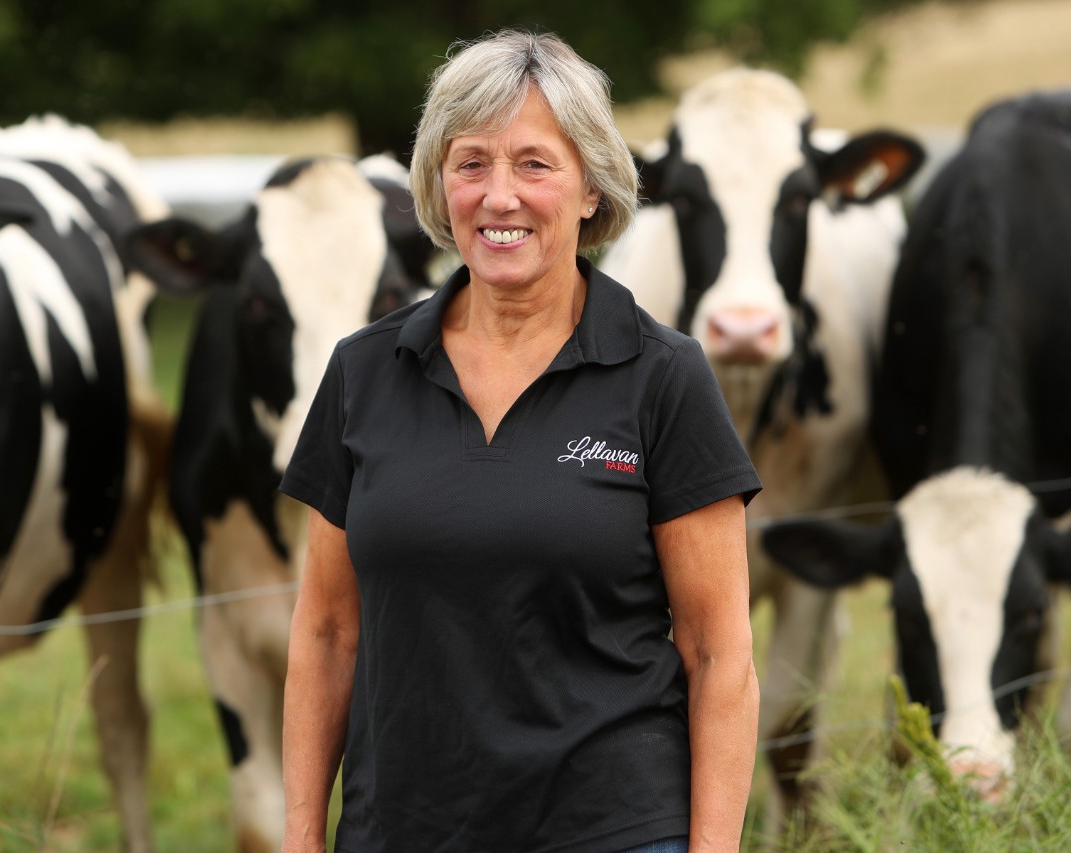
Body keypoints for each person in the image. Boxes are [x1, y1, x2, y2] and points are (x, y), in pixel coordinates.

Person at [280, 29, 761, 853]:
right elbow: (325, 632)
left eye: (534, 164)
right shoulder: (365, 371)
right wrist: (299, 840)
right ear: (440, 185)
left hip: (611, 833)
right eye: (471, 164)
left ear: (588, 189)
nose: (499, 196)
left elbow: (718, 653)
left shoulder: (663, 377)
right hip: (400, 833)